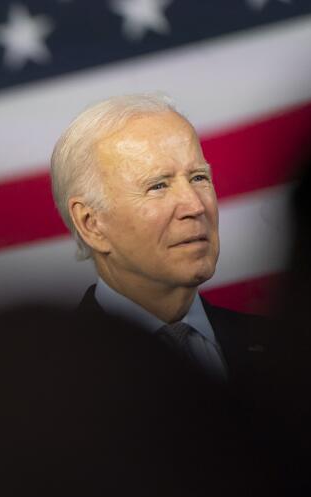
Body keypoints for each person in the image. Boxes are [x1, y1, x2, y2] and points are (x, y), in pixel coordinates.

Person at [50, 93, 271, 381]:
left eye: (198, 178)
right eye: (157, 186)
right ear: (91, 224)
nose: (195, 206)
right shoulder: (48, 380)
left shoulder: (286, 347)